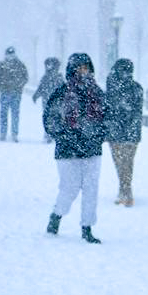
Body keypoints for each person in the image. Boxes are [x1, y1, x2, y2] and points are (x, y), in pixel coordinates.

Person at [43, 53, 105, 243]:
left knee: (91, 189)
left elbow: (107, 118)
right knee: (69, 189)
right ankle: (57, 215)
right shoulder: (61, 92)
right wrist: (66, 135)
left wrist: (98, 135)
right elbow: (50, 120)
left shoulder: (97, 93)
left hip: (92, 149)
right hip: (67, 151)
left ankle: (87, 228)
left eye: (86, 68)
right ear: (72, 70)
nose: (83, 72)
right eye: (79, 68)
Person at [104, 58, 142, 207]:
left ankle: (125, 190)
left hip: (121, 132)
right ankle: (125, 189)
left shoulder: (113, 88)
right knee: (125, 162)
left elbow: (109, 110)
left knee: (122, 162)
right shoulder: (135, 88)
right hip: (126, 132)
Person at [0, 46, 29, 142]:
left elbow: (25, 77)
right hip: (8, 92)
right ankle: (6, 133)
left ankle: (10, 133)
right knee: (9, 114)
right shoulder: (16, 64)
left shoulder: (17, 64)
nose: (10, 56)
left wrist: (18, 86)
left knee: (11, 114)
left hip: (13, 93)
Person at [32, 57, 64, 143]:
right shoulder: (49, 77)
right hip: (49, 101)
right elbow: (41, 88)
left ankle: (52, 134)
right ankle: (50, 134)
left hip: (53, 101)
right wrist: (36, 95)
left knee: (54, 118)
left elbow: (63, 89)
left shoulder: (56, 78)